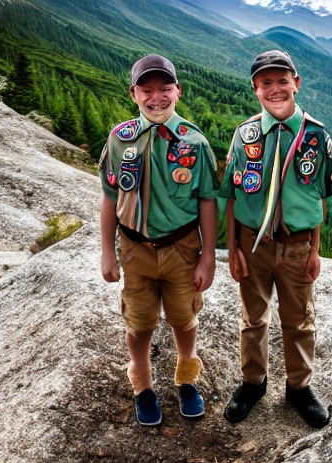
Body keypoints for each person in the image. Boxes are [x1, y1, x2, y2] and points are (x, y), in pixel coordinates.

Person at [219, 49, 332, 428]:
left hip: (297, 245)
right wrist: (234, 248)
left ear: (296, 83)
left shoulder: (317, 136)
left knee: (299, 319)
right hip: (255, 244)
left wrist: (315, 250)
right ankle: (253, 382)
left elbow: (320, 196)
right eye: (266, 82)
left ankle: (299, 387)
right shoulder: (246, 136)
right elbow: (230, 194)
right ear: (255, 88)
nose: (275, 89)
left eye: (282, 81)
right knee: (253, 318)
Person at [99, 54, 220, 427]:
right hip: (134, 250)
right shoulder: (120, 140)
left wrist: (208, 257)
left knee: (184, 318)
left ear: (177, 91)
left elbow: (206, 201)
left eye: (164, 89)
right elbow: (109, 196)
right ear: (133, 92)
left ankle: (186, 377)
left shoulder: (194, 143)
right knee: (139, 323)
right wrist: (107, 252)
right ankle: (143, 386)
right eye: (147, 90)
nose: (156, 97)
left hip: (181, 250)